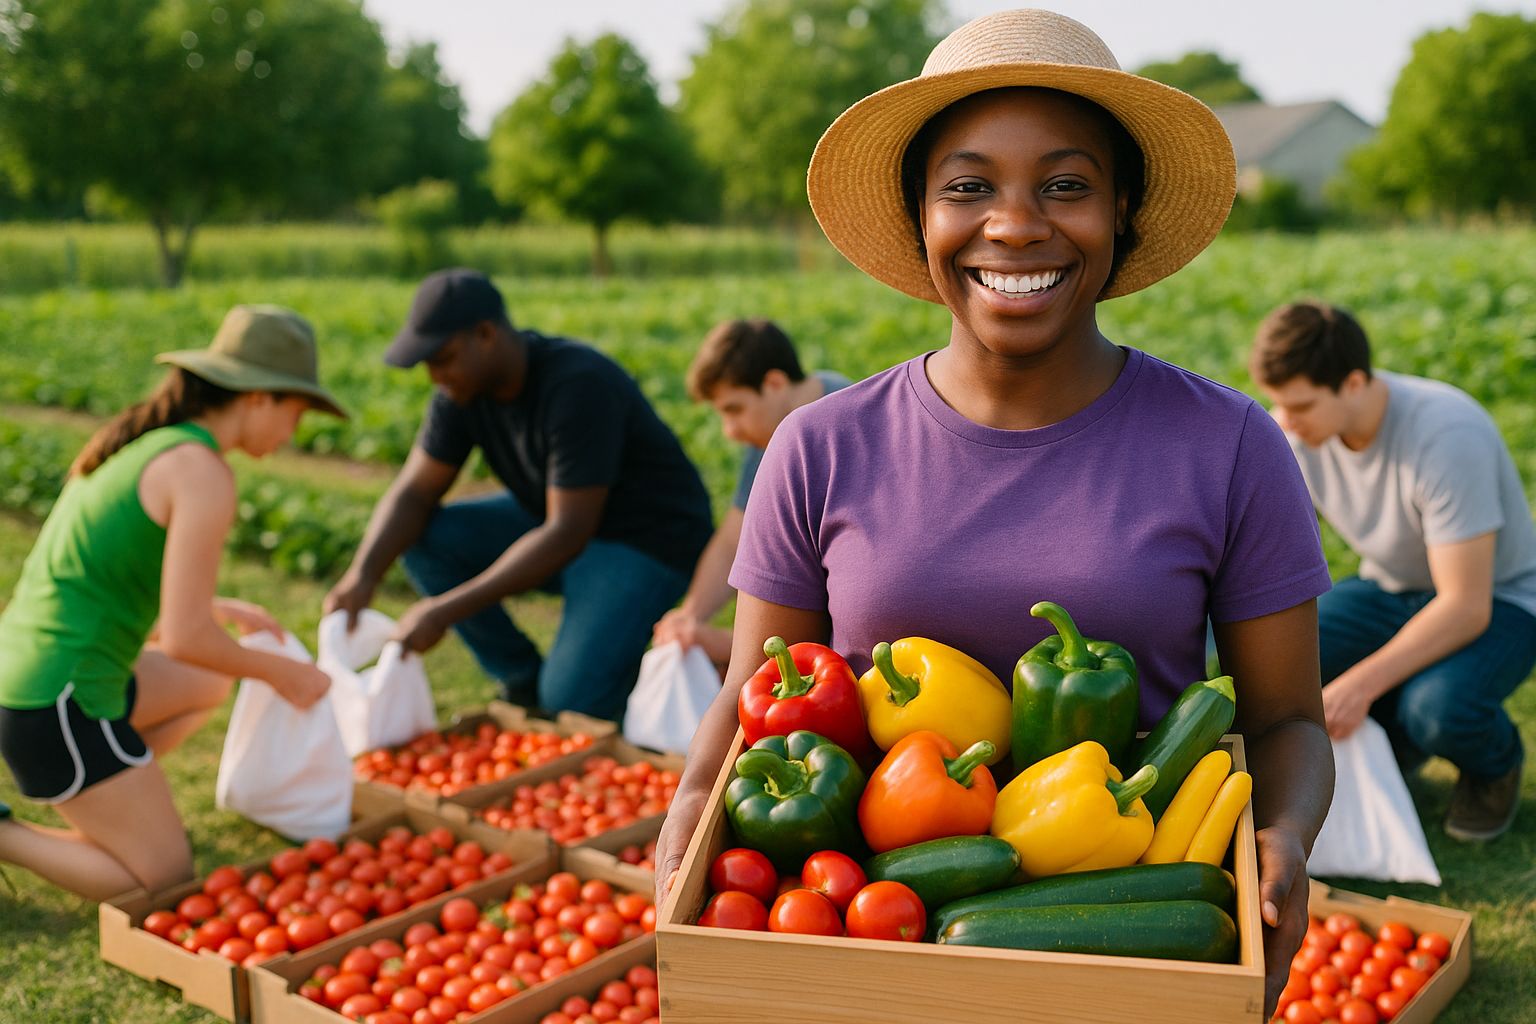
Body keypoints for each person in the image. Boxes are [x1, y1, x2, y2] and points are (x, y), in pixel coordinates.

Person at [654, 10, 1336, 1017]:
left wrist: (1279, 839)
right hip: (867, 935)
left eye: (1066, 185)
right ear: (920, 214)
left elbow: (1286, 721)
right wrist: (685, 812)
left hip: (1129, 944)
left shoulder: (1229, 443)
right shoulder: (820, 444)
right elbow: (756, 695)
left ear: (1125, 211)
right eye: (967, 186)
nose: (1015, 224)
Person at [0, 306, 340, 900]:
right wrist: (285, 674)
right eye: (295, 411)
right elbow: (186, 638)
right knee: (162, 878)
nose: (293, 433)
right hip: (54, 701)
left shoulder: (155, 446)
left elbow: (98, 578)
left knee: (205, 686)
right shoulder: (202, 473)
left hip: (36, 672)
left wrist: (221, 607)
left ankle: (111, 787)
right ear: (258, 398)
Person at [324, 268, 713, 722]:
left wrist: (442, 611)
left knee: (572, 701)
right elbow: (414, 492)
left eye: (443, 358)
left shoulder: (578, 385)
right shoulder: (461, 392)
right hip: (556, 518)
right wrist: (363, 574)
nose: (436, 376)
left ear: (485, 334)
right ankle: (522, 678)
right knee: (425, 538)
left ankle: (619, 686)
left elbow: (567, 533)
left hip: (647, 540)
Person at [1250, 300, 1536, 842]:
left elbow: (1465, 606)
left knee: (1438, 708)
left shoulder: (1446, 436)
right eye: (1277, 404)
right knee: (1266, 658)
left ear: (1353, 383)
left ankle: (1493, 766)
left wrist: (1358, 684)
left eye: (1301, 406)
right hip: (1391, 584)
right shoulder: (1301, 436)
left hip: (1499, 599)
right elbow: (1265, 563)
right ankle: (1395, 743)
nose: (1283, 422)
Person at [651, 319, 851, 667]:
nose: (729, 431)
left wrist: (719, 643)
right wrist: (690, 616)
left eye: (734, 410)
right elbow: (734, 538)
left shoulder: (841, 425)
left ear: (773, 383)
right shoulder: (777, 427)